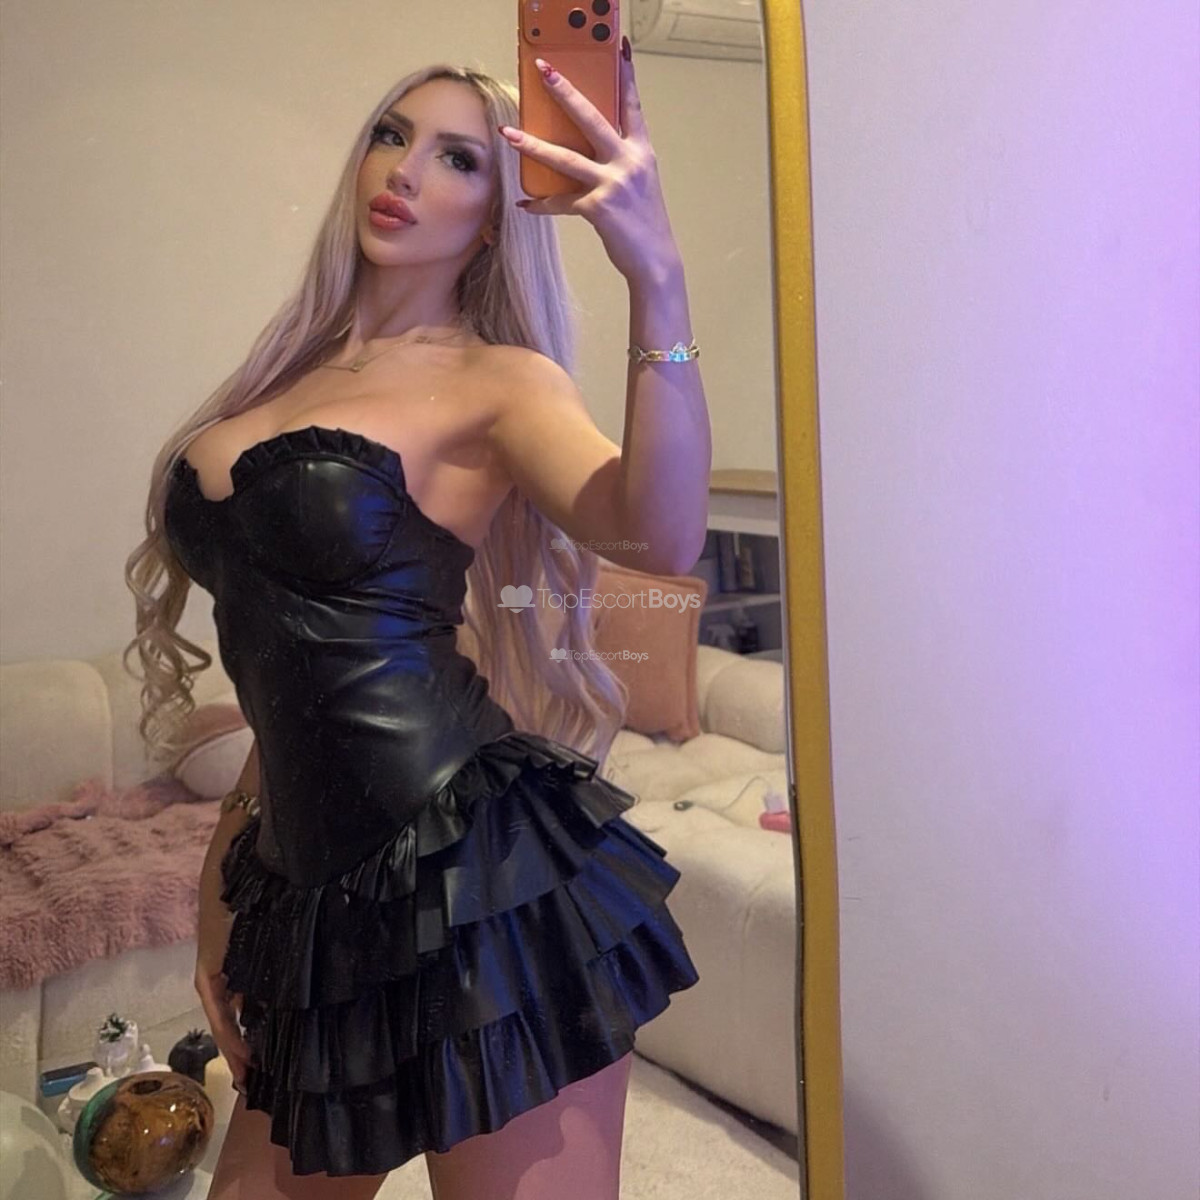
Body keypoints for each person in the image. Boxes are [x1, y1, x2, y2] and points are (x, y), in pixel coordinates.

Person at [124, 40, 710, 1200]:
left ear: (496, 220)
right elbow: (291, 673)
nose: (406, 170)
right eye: (393, 135)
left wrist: (657, 275)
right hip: (304, 896)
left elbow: (659, 535)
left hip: (481, 882)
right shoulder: (274, 381)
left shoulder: (501, 381)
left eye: (460, 159)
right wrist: (219, 896)